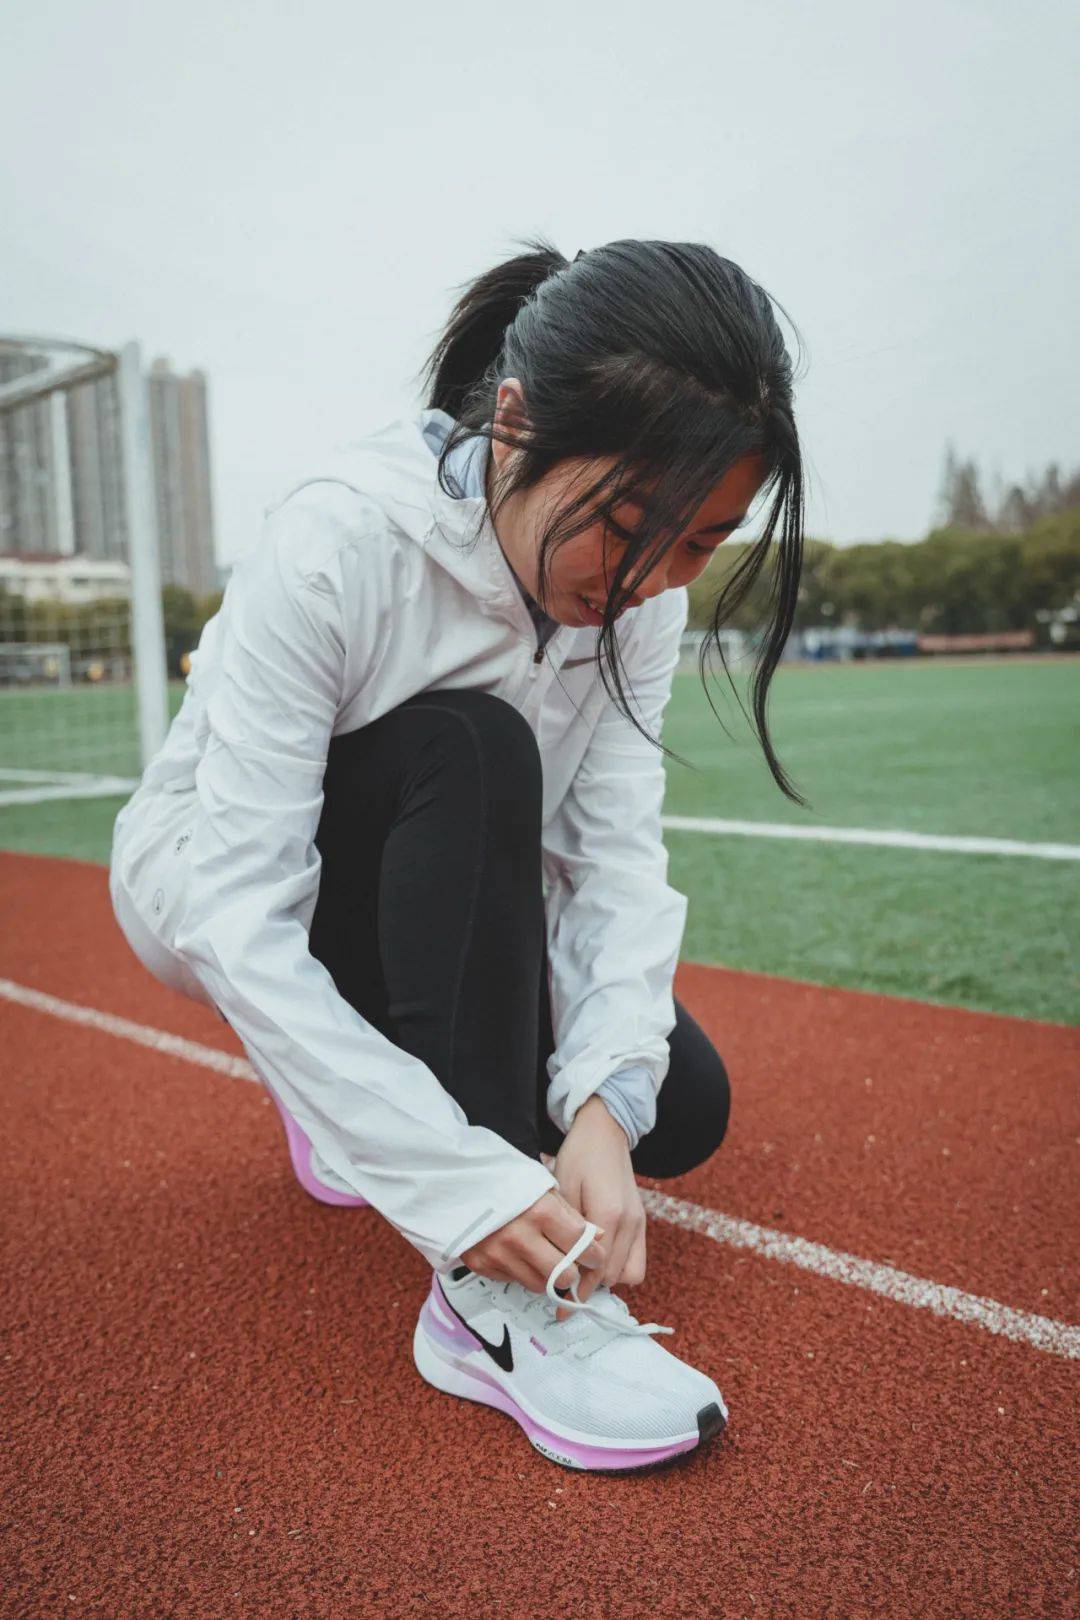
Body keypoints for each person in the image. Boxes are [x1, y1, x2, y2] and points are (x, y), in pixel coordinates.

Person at [108, 235, 806, 1474]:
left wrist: (600, 1102)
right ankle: (491, 1313)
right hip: (211, 888)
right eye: (634, 526)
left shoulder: (640, 601)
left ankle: (367, 1086)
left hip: (439, 879)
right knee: (472, 749)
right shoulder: (336, 544)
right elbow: (236, 906)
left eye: (701, 541)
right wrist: (470, 1198)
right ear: (516, 421)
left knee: (677, 1109)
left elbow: (612, 857)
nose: (653, 578)